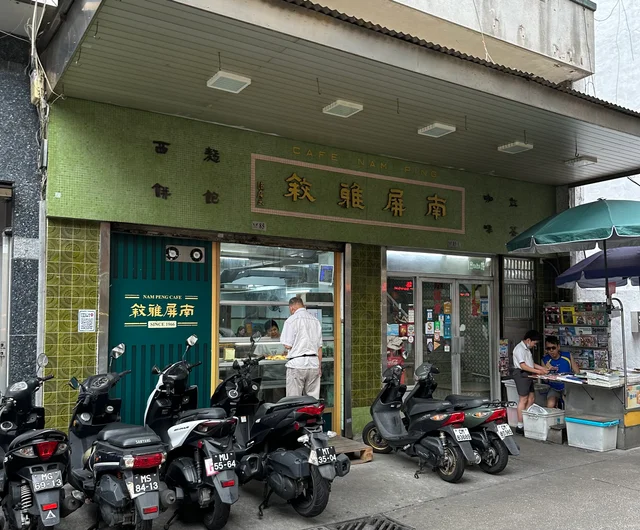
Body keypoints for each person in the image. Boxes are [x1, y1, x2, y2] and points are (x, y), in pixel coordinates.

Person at [280, 297, 323, 399]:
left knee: (294, 400)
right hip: (314, 364)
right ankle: (312, 415)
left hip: (297, 364)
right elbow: (319, 347)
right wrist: (319, 366)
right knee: (312, 400)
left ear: (291, 308)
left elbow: (287, 345)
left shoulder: (291, 320)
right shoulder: (315, 321)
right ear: (303, 305)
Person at [512, 330, 549, 435]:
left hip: (528, 374)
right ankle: (520, 425)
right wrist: (539, 372)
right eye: (534, 343)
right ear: (528, 340)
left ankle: (527, 420)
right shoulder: (519, 349)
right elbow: (523, 365)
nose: (534, 345)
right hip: (521, 374)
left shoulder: (527, 349)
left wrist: (543, 369)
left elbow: (531, 363)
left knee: (531, 397)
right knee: (523, 399)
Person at [542, 336, 580, 408]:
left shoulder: (567, 356)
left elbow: (577, 371)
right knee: (550, 404)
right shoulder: (545, 360)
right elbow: (545, 380)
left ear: (558, 347)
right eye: (548, 348)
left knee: (568, 405)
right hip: (554, 387)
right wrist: (547, 371)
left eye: (553, 348)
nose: (551, 350)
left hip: (567, 386)